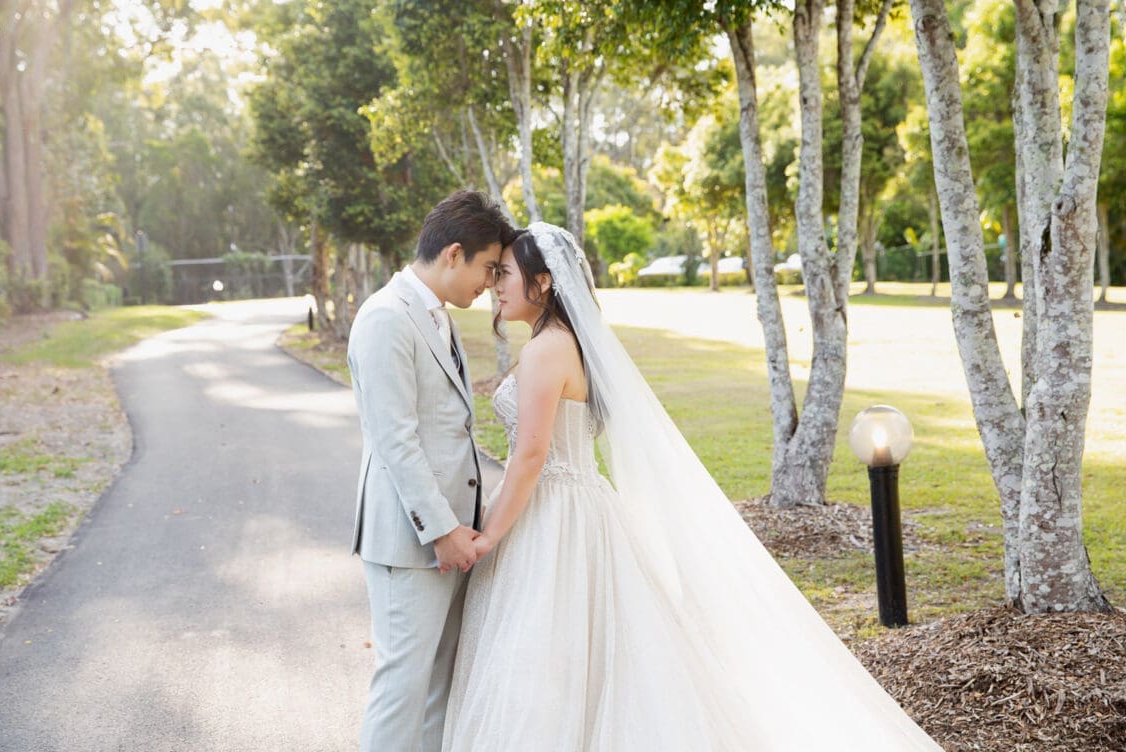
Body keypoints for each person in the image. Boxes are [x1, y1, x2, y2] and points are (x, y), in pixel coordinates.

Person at [442, 222, 945, 751]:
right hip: (580, 507)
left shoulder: (547, 350)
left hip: (551, 512)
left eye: (506, 275)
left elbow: (531, 455)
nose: (497, 286)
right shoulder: (573, 344)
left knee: (542, 658)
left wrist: (491, 534)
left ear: (542, 282)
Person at [346, 190, 515, 752]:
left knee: (437, 688)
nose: (492, 283)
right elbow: (396, 440)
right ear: (454, 254)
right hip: (411, 542)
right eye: (489, 268)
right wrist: (443, 531)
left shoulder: (434, 315)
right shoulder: (385, 318)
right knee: (402, 688)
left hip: (447, 540)